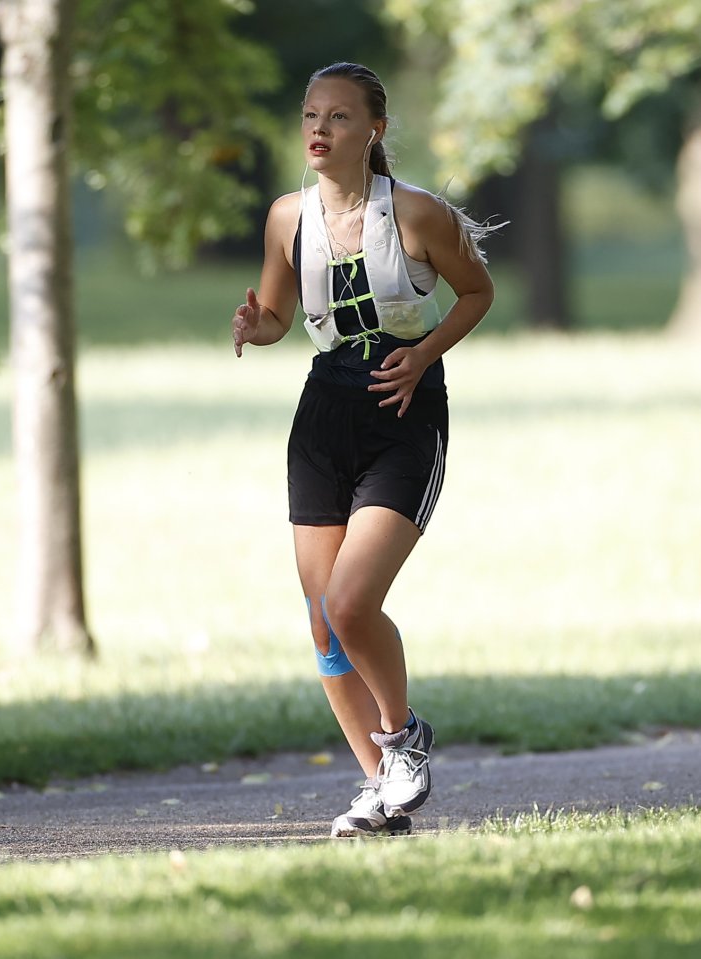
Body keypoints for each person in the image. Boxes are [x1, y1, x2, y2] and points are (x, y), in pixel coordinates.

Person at [232, 62, 496, 838]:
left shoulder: (415, 214)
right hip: (324, 413)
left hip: (403, 412)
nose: (319, 130)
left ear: (373, 130)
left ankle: (402, 735)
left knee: (351, 602)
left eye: (339, 118)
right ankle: (380, 789)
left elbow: (477, 292)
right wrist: (257, 326)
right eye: (312, 115)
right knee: (322, 621)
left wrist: (423, 356)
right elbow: (281, 314)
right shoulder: (287, 216)